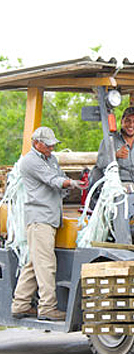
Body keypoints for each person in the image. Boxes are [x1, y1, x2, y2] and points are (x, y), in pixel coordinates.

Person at [11, 127, 84, 321]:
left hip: (49, 218)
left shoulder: (50, 159)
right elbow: (53, 180)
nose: (52, 147)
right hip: (39, 219)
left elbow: (58, 179)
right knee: (46, 264)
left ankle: (20, 304)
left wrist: (68, 184)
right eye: (48, 144)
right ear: (37, 143)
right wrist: (72, 183)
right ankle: (47, 307)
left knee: (35, 263)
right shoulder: (30, 161)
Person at [94, 106, 134, 193]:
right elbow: (100, 163)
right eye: (128, 121)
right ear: (122, 122)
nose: (131, 125)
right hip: (118, 185)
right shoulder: (110, 140)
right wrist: (115, 155)